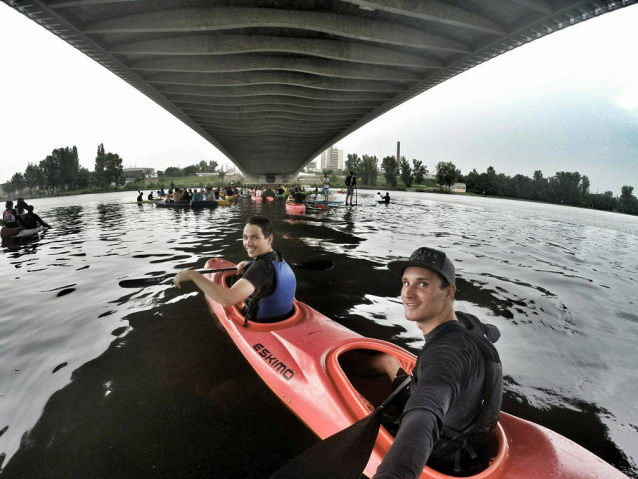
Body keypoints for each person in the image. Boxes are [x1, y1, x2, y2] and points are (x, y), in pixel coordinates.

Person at [368, 247, 502, 478]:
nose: (407, 294)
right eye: (405, 282)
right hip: (467, 440)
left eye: (422, 284)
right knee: (386, 361)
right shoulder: (471, 325)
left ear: (449, 292)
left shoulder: (446, 353)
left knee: (370, 409)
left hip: (440, 454)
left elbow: (425, 415)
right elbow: (494, 331)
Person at [173, 216, 296, 324]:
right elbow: (267, 270)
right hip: (286, 318)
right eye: (245, 237)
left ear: (269, 239)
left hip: (260, 323)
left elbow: (228, 299)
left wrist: (193, 275)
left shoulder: (259, 269)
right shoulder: (277, 257)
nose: (248, 243)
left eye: (255, 238)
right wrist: (247, 263)